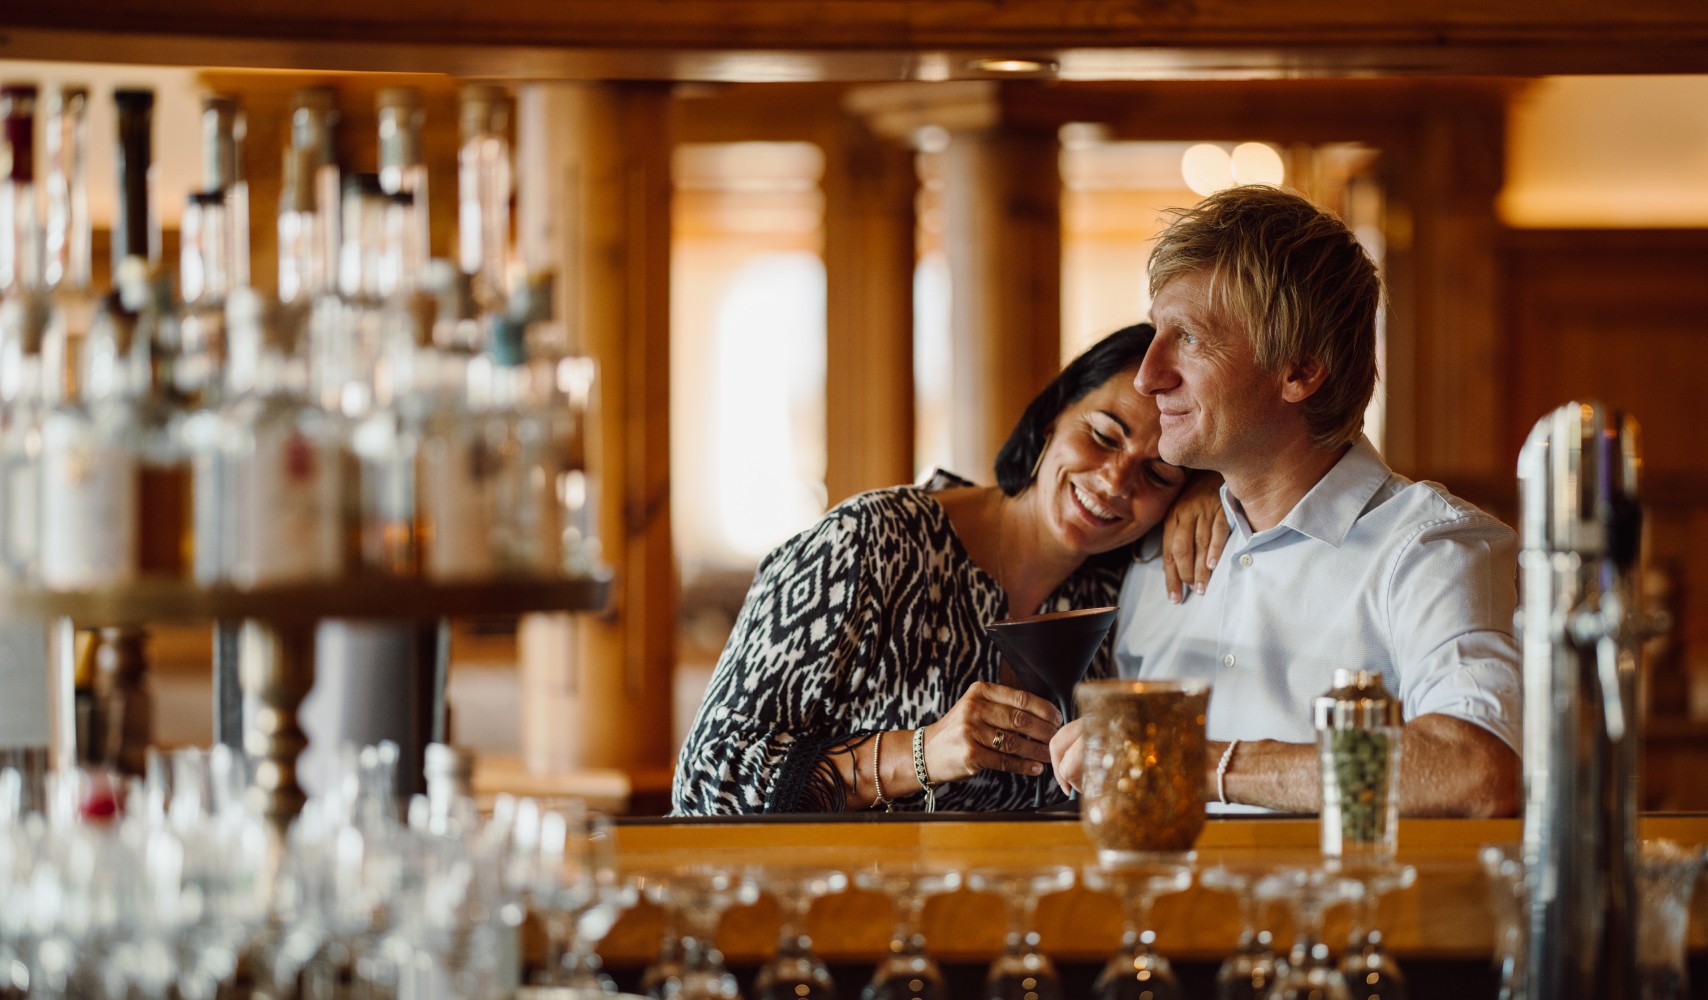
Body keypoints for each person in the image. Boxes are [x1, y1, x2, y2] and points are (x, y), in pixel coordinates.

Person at [1050, 185, 1522, 818]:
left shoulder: (1430, 550)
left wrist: (1197, 759)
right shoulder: (1154, 538)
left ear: (1299, 369)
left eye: (1188, 339)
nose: (1148, 374)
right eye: (1157, 332)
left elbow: (1475, 771)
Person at [672, 325, 1210, 815]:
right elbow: (705, 783)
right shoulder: (871, 542)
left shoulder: (1123, 585)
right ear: (1052, 417)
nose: (1117, 481)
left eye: (1158, 474)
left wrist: (1213, 486)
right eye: (1102, 436)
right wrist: (923, 753)